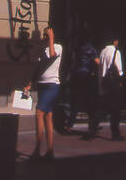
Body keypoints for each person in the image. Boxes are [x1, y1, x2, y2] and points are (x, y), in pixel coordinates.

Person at [23, 25, 62, 162]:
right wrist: (30, 83)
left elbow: (52, 55)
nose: (45, 37)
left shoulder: (57, 47)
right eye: (45, 35)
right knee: (48, 116)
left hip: (52, 85)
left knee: (39, 112)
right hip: (42, 85)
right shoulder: (42, 51)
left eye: (48, 35)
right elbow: (38, 69)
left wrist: (51, 38)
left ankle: (37, 150)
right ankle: (50, 151)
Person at [87, 37, 125, 141]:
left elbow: (100, 69)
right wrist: (120, 81)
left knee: (101, 109)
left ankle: (92, 130)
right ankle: (115, 134)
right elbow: (119, 70)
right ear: (114, 41)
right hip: (113, 84)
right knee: (115, 110)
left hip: (104, 83)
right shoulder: (116, 52)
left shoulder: (102, 52)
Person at [71, 31, 99, 130]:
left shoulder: (79, 48)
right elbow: (97, 62)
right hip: (86, 75)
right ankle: (93, 124)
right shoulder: (91, 49)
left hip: (77, 74)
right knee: (90, 100)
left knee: (76, 99)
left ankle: (70, 123)